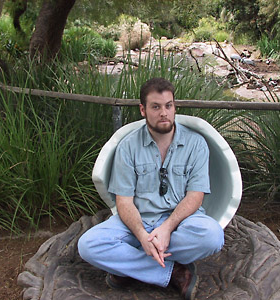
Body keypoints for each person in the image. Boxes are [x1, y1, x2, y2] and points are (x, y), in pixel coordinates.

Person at [78, 77, 224, 300]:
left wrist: (166, 229)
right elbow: (124, 201)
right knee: (88, 245)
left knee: (212, 237)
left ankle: (128, 267)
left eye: (169, 105)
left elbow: (196, 196)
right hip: (137, 222)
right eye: (156, 107)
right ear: (142, 110)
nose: (164, 113)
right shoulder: (128, 146)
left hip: (180, 223)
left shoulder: (196, 144)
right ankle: (173, 272)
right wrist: (142, 235)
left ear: (175, 107)